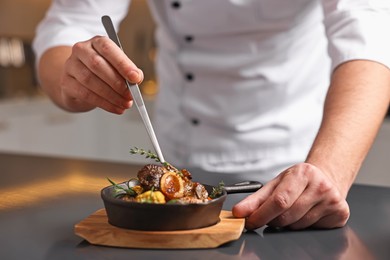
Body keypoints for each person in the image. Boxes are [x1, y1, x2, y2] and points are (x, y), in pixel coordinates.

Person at [33, 0, 390, 230]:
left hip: (287, 171)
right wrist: (73, 80)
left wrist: (328, 170)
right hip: (176, 152)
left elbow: (369, 41)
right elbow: (67, 22)